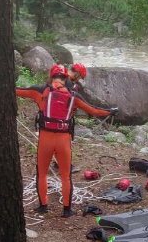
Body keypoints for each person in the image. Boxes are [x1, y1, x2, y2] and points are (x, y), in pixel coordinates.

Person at [16, 64, 118, 217]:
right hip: (64, 140)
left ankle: (43, 207)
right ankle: (67, 210)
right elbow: (93, 110)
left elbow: (17, 91)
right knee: (65, 176)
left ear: (51, 77)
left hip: (45, 138)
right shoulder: (73, 96)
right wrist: (110, 112)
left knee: (42, 174)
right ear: (65, 78)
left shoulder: (39, 91)